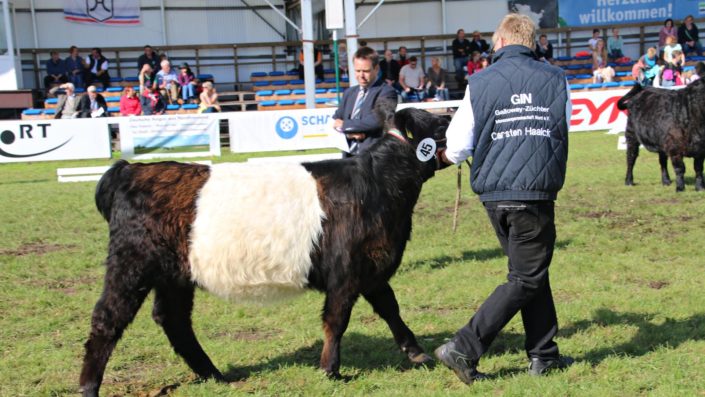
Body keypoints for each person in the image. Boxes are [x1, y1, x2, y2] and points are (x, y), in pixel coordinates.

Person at [435, 13, 573, 384]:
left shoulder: (479, 83)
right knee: (526, 277)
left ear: (499, 42)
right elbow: (564, 125)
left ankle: (544, 354)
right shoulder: (557, 78)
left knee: (530, 272)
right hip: (534, 191)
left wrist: (441, 160)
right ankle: (464, 345)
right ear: (533, 42)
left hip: (495, 195)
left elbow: (459, 144)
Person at [332, 46, 397, 157]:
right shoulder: (349, 93)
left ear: (376, 69)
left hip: (374, 160)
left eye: (366, 71)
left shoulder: (387, 92)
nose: (361, 75)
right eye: (358, 71)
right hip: (348, 160)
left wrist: (346, 125)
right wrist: (351, 134)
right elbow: (335, 120)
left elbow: (377, 120)